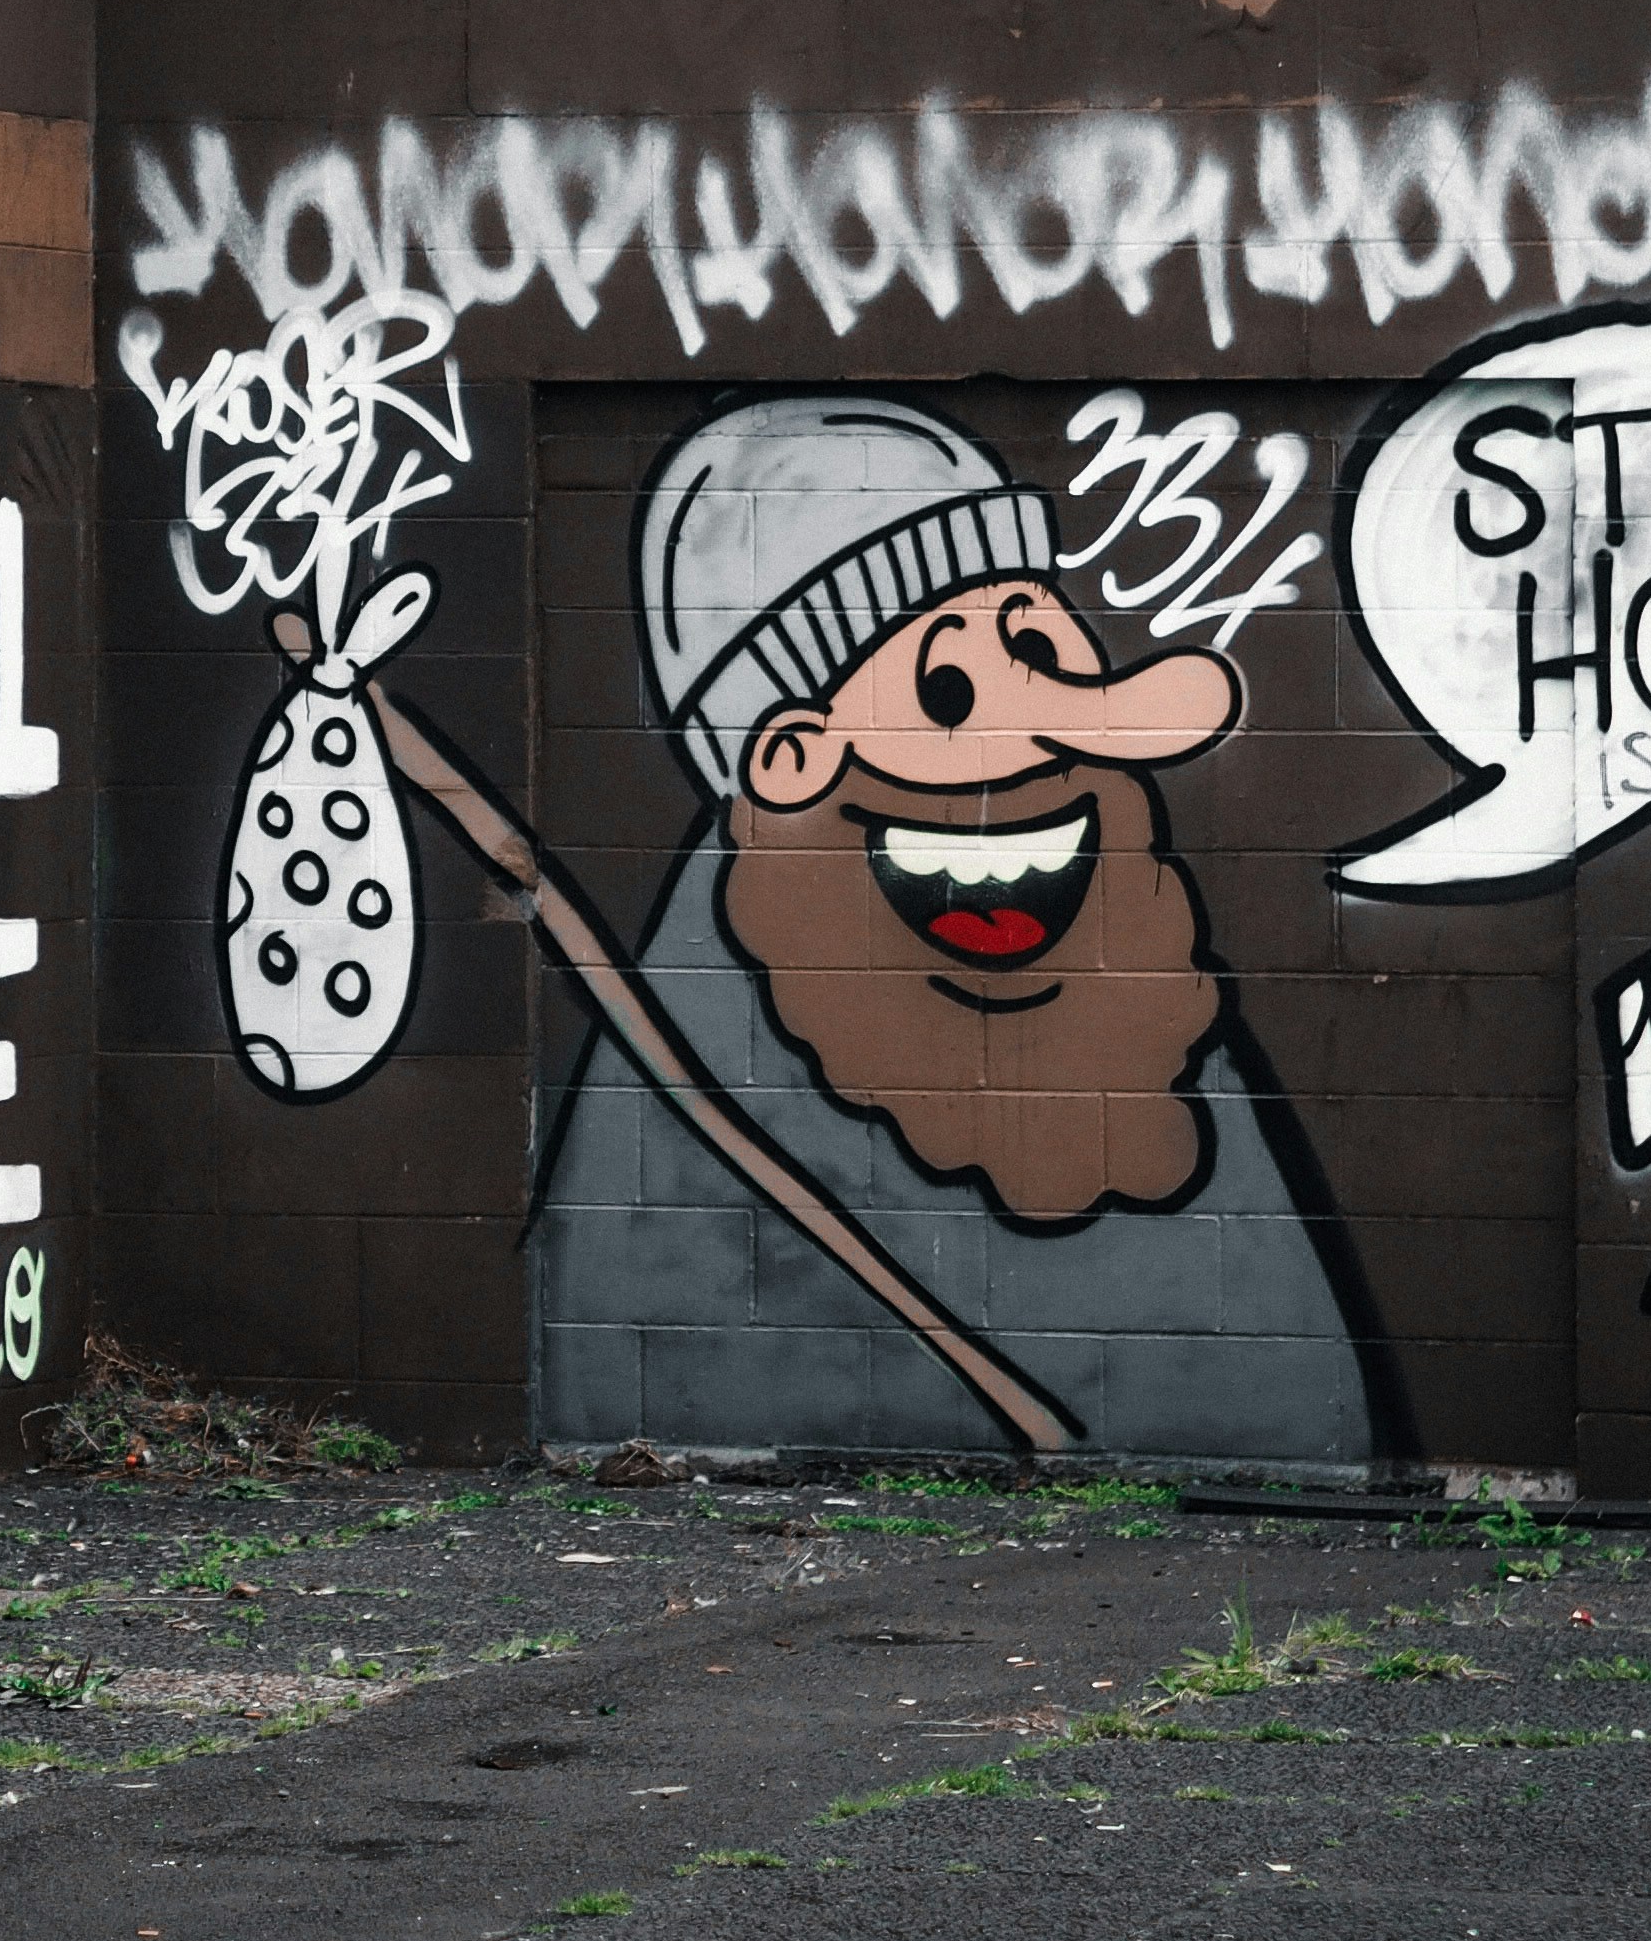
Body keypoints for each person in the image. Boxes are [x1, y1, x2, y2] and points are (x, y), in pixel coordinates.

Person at [398, 393, 1385, 1463]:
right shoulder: (697, 1064)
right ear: (789, 759)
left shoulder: (1137, 977)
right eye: (954, 685)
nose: (1047, 732)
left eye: (1040, 646)